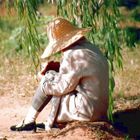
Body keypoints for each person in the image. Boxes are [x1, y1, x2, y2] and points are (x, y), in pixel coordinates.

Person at [10, 17, 109, 132]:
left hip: (85, 112)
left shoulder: (73, 54)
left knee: (49, 78)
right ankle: (41, 122)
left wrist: (43, 79)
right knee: (53, 76)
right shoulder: (91, 48)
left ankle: (28, 121)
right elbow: (81, 73)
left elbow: (61, 88)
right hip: (99, 110)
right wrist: (59, 67)